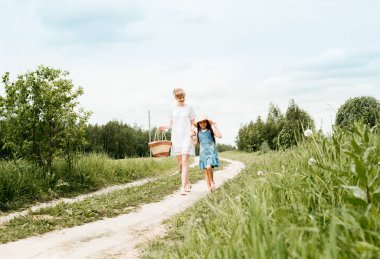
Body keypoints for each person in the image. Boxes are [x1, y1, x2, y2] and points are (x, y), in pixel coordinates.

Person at [160, 88, 196, 195]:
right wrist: (164, 127)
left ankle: (183, 187)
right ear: (175, 97)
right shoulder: (172, 109)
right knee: (181, 163)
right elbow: (172, 125)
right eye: (179, 97)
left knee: (185, 161)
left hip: (187, 136)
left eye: (183, 97)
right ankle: (187, 182)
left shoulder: (189, 108)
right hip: (176, 137)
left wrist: (194, 133)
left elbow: (193, 123)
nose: (182, 99)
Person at [191, 115, 222, 192]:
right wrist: (192, 136)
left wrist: (216, 127)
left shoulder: (210, 131)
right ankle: (209, 188)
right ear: (198, 124)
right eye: (200, 123)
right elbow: (195, 143)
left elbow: (220, 136)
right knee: (206, 171)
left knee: (209, 167)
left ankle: (212, 181)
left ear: (207, 123)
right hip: (203, 153)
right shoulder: (198, 133)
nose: (202, 124)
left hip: (211, 152)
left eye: (204, 122)